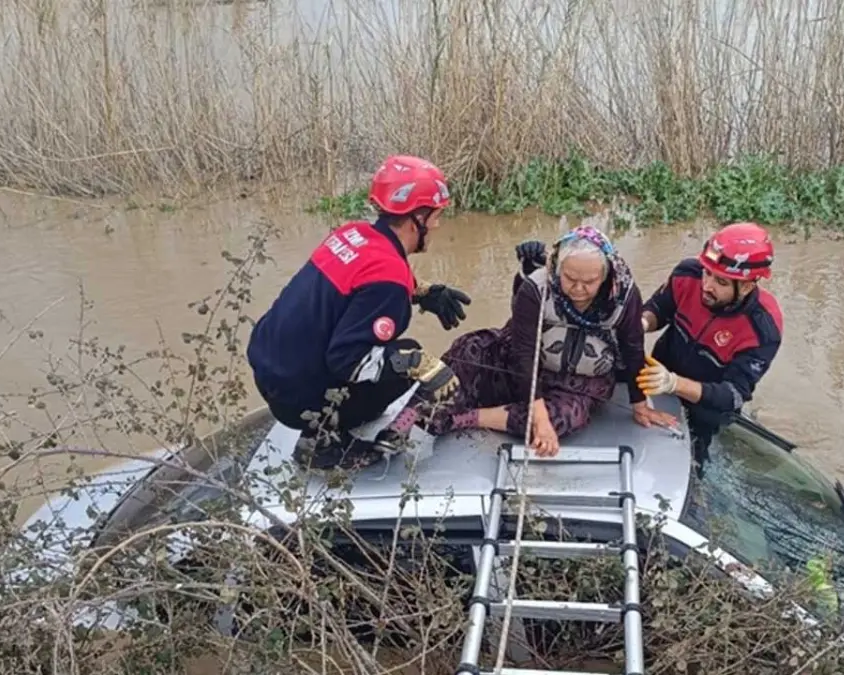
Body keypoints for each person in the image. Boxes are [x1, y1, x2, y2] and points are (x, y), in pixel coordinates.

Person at [245, 154, 473, 470]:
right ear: (417, 219)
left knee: (395, 356)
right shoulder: (389, 280)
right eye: (436, 216)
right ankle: (321, 445)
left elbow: (361, 278)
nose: (437, 225)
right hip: (298, 403)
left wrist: (423, 292)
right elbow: (347, 360)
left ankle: (326, 417)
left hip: (271, 373)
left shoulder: (351, 234)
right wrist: (421, 365)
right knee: (406, 358)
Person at [380, 224, 677, 457]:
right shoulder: (536, 288)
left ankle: (461, 419)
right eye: (570, 278)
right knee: (466, 351)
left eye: (589, 282)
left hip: (579, 384)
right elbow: (524, 353)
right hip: (524, 366)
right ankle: (405, 421)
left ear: (606, 274)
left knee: (564, 419)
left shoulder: (625, 296)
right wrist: (538, 415)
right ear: (557, 268)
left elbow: (633, 348)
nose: (578, 289)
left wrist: (640, 403)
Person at [633, 221, 783, 448]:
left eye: (721, 282)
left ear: (746, 287)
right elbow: (659, 308)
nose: (706, 286)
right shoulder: (687, 275)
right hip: (657, 382)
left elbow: (733, 394)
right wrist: (642, 323)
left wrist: (674, 383)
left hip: (705, 409)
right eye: (707, 273)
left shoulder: (762, 329)